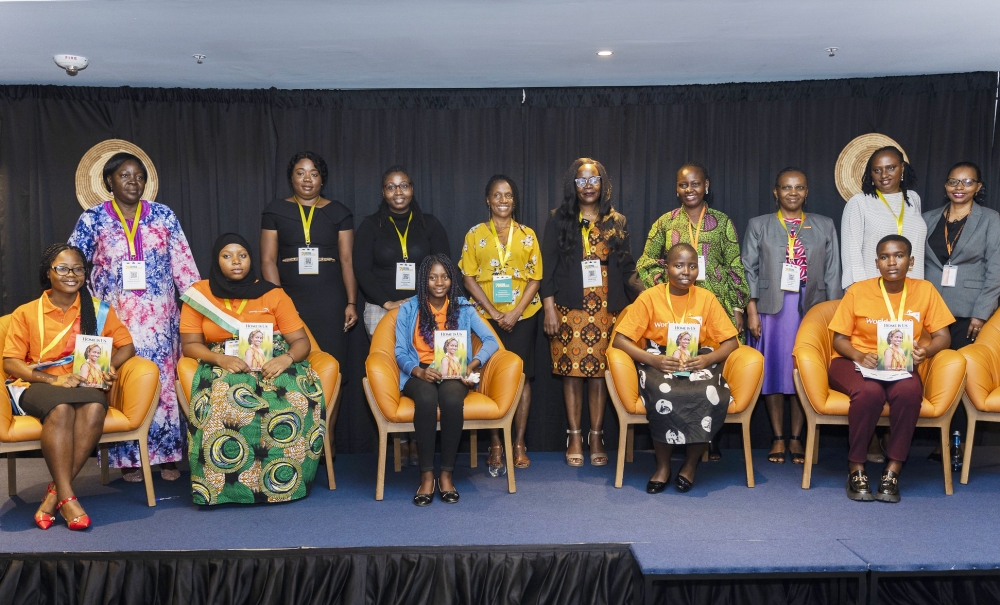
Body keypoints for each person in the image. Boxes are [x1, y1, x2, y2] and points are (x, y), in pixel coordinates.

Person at [68, 152, 200, 482]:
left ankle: (167, 457)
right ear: (108, 181)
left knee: (162, 387)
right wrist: (86, 309)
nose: (133, 182)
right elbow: (73, 264)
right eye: (125, 175)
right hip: (113, 320)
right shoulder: (92, 219)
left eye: (139, 176)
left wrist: (200, 312)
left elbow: (184, 266)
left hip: (160, 322)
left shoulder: (164, 215)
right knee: (121, 386)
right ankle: (128, 459)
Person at [179, 234, 325, 506]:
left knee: (293, 400)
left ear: (250, 259)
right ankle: (224, 490)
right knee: (224, 401)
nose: (236, 261)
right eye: (227, 256)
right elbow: (190, 345)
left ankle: (284, 484)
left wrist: (286, 359)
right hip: (222, 359)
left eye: (242, 255)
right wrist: (219, 359)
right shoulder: (199, 294)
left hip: (274, 357)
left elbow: (301, 341)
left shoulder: (273, 293)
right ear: (216, 260)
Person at [3, 243, 134, 530]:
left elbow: (127, 346)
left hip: (83, 383)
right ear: (47, 273)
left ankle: (55, 496)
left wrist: (109, 367)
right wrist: (54, 380)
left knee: (95, 406)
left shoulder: (98, 310)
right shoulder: (26, 312)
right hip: (37, 384)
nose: (71, 274)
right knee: (61, 408)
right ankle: (68, 499)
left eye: (78, 269)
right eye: (62, 268)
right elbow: (11, 362)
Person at [636, 162, 749, 461]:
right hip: (677, 312)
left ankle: (710, 436)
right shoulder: (665, 223)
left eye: (695, 184)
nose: (690, 189)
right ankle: (679, 435)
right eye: (683, 185)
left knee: (712, 370)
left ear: (706, 185)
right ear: (677, 189)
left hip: (715, 307)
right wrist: (667, 286)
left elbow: (734, 265)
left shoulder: (722, 222)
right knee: (681, 373)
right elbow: (646, 262)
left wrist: (737, 306)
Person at [829, 235, 954, 502]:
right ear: (877, 263)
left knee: (909, 392)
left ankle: (893, 469)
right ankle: (856, 467)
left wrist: (926, 351)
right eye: (885, 257)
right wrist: (860, 355)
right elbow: (838, 339)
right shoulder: (858, 291)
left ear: (911, 261)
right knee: (869, 393)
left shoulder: (925, 290)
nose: (892, 262)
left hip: (899, 364)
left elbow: (943, 336)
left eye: (899, 256)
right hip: (854, 362)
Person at [612, 243, 739, 493]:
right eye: (679, 265)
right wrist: (654, 361)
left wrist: (707, 360)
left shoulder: (707, 298)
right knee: (664, 392)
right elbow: (620, 340)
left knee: (705, 393)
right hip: (658, 358)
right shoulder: (649, 297)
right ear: (666, 268)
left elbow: (731, 342)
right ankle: (663, 467)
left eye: (692, 266)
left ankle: (690, 466)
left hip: (698, 358)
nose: (686, 272)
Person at [541, 158, 643, 467]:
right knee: (572, 373)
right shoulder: (558, 219)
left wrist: (648, 298)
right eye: (581, 180)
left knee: (600, 373)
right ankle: (574, 436)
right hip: (569, 307)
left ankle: (596, 436)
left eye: (594, 180)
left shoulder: (617, 221)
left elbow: (627, 267)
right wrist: (548, 308)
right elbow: (547, 267)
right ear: (573, 185)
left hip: (606, 309)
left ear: (603, 184)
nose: (588, 186)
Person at [742, 167, 842, 464]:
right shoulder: (759, 225)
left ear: (807, 192)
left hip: (812, 307)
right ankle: (777, 437)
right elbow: (748, 269)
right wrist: (751, 310)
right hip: (771, 308)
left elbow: (833, 272)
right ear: (776, 192)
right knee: (775, 372)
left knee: (803, 370)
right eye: (787, 187)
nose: (793, 192)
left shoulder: (824, 225)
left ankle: (797, 438)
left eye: (799, 187)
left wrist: (833, 317)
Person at [354, 165, 451, 466]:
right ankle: (401, 438)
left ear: (412, 189)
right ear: (383, 192)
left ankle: (417, 436)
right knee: (394, 370)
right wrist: (387, 302)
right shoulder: (370, 226)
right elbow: (361, 269)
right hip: (381, 307)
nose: (398, 192)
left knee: (421, 368)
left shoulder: (429, 224)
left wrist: (422, 302)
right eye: (391, 187)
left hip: (425, 307)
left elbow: (444, 265)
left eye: (404, 185)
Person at [395, 254, 499, 506]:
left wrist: (471, 365)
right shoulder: (409, 308)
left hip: (454, 371)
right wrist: (418, 371)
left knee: (452, 400)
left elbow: (491, 340)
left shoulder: (463, 307)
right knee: (427, 399)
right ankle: (426, 476)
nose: (439, 282)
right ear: (424, 280)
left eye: (444, 277)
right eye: (432, 277)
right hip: (420, 372)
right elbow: (399, 352)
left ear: (452, 279)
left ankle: (446, 475)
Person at [459, 175, 542, 471]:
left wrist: (515, 312)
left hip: (524, 316)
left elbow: (535, 278)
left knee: (522, 377)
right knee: (488, 377)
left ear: (514, 200)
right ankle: (495, 443)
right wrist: (493, 312)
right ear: (488, 199)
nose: (503, 200)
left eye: (508, 195)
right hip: (485, 319)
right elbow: (468, 277)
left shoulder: (528, 234)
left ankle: (518, 443)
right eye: (497, 195)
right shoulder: (474, 234)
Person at [261, 151, 357, 362]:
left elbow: (347, 260)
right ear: (291, 178)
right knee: (295, 359)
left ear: (322, 179)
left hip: (330, 299)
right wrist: (279, 302)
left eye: (314, 174)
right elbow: (268, 260)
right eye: (300, 173)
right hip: (290, 297)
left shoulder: (339, 212)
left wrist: (351, 302)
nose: (307, 179)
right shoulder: (275, 211)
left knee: (332, 358)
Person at [922, 161, 1000, 349]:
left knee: (960, 363)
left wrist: (981, 314)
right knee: (927, 363)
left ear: (978, 187)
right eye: (953, 181)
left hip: (968, 312)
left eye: (967, 182)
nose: (959, 187)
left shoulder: (990, 219)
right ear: (946, 185)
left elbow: (996, 271)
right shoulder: (927, 218)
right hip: (929, 311)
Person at [841, 146, 926, 288]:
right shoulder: (859, 202)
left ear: (902, 168)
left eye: (890, 168)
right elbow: (851, 253)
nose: (884, 175)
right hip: (874, 288)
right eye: (877, 170)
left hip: (913, 286)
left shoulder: (913, 198)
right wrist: (858, 290)